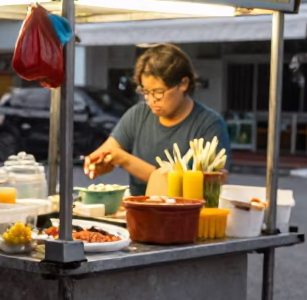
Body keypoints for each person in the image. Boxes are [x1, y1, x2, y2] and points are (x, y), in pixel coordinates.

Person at [83, 43, 231, 196]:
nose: (151, 100)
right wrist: (100, 162)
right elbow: (109, 150)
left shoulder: (209, 125)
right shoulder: (138, 115)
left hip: (187, 217)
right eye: (145, 92)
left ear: (183, 84)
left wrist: (126, 161)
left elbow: (191, 188)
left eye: (158, 92)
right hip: (139, 214)